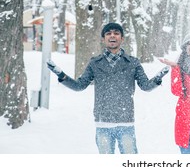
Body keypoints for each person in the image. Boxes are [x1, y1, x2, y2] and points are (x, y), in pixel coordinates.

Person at [46, 22, 169, 154]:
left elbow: (145, 86)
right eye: (108, 33)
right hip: (103, 122)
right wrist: (61, 74)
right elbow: (79, 86)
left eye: (116, 33)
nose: (112, 36)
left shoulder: (133, 63)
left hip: (125, 121)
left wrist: (158, 77)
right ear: (103, 39)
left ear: (122, 39)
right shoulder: (95, 63)